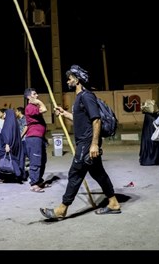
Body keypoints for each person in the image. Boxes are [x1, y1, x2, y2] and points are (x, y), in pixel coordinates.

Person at [40, 64, 121, 220]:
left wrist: (94, 144)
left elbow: (96, 120)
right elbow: (79, 119)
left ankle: (61, 210)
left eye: (70, 78)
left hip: (87, 144)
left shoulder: (86, 96)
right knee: (99, 174)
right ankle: (113, 203)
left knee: (75, 174)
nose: (68, 81)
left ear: (77, 80)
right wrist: (64, 113)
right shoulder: (79, 98)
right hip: (86, 143)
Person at [24, 88, 49, 192]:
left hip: (40, 138)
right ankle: (34, 184)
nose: (37, 95)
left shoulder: (34, 107)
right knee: (36, 160)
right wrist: (38, 102)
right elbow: (44, 109)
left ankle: (39, 181)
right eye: (34, 94)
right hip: (34, 138)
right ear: (29, 97)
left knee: (43, 160)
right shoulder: (30, 107)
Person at [0, 109, 25, 183]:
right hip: (14, 145)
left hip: (6, 146)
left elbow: (8, 134)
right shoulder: (14, 123)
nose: (4, 116)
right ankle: (17, 176)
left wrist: (7, 144)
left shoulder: (8, 123)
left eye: (5, 114)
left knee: (3, 160)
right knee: (13, 160)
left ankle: (2, 177)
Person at [139, 99, 159, 166]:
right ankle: (151, 160)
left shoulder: (147, 115)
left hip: (147, 134)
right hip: (152, 133)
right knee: (153, 144)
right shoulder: (151, 116)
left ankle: (148, 159)